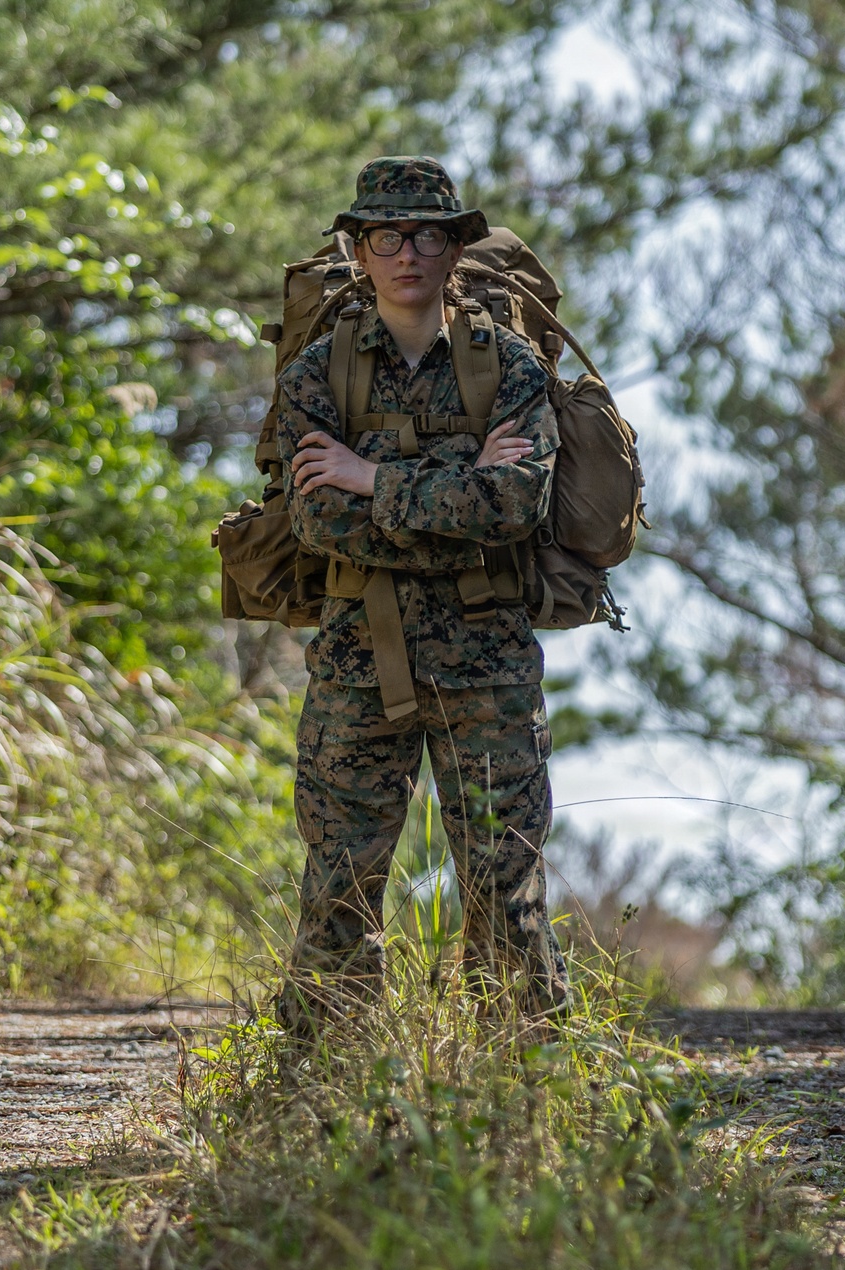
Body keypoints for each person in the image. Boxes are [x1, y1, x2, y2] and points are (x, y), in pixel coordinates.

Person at [276, 156, 569, 1030]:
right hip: (357, 666)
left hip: (488, 668)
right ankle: (315, 1090)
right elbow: (319, 524)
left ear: (455, 249)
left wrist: (371, 477)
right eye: (388, 236)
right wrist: (456, 485)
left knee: (505, 887)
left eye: (429, 235)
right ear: (358, 251)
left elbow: (516, 505)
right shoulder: (315, 376)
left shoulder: (508, 368)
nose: (409, 253)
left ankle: (529, 1088)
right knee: (339, 891)